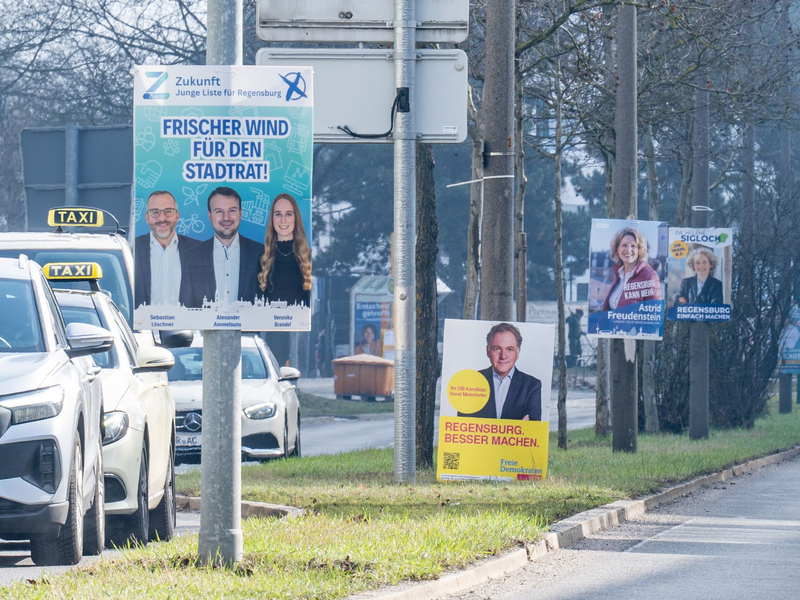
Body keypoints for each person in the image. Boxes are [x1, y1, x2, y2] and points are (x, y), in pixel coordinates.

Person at [187, 187, 264, 306]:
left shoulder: (261, 253)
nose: (226, 217)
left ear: (240, 213)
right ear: (210, 215)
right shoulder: (191, 257)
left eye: (232, 210)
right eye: (219, 211)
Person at [458, 322, 542, 421]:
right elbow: (463, 428)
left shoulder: (532, 386)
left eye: (510, 349)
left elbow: (533, 431)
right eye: (497, 349)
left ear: (518, 353)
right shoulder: (471, 382)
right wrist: (518, 428)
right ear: (488, 351)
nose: (503, 356)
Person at [134, 190, 196, 308]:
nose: (162, 218)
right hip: (145, 325)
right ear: (147, 217)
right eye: (155, 212)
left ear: (177, 216)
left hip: (187, 325)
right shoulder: (132, 249)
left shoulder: (198, 250)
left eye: (168, 211)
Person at [258, 193, 312, 306]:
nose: (283, 220)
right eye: (278, 214)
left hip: (299, 323)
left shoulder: (308, 257)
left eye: (288, 214)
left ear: (296, 218)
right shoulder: (262, 258)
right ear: (272, 219)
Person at [602, 227, 662, 311]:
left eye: (633, 246)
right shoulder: (619, 275)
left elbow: (655, 317)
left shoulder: (650, 276)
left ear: (639, 250)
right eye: (624, 245)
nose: (628, 250)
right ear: (617, 249)